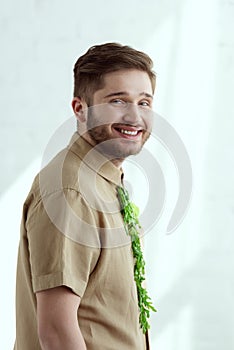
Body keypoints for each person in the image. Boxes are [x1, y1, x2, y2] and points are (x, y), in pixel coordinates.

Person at [14, 42, 156, 350]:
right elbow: (56, 331)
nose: (135, 116)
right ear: (80, 108)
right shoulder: (71, 190)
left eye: (144, 102)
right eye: (118, 100)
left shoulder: (104, 182)